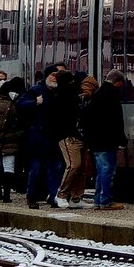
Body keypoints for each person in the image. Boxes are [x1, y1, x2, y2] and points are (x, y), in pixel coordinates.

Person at [79, 69, 128, 210]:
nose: (121, 86)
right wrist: (122, 139)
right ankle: (106, 201)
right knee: (108, 170)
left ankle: (98, 200)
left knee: (101, 171)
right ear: (117, 81)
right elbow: (117, 120)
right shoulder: (111, 95)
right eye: (121, 83)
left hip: (96, 140)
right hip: (107, 140)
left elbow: (86, 118)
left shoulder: (97, 94)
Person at [17, 71, 63, 209]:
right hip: (38, 139)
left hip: (53, 138)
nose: (54, 78)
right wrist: (35, 102)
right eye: (52, 75)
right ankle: (31, 197)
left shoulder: (59, 93)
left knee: (55, 169)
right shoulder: (36, 90)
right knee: (35, 170)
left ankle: (53, 196)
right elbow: (20, 103)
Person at [49, 70, 87, 208]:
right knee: (73, 165)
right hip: (68, 135)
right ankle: (62, 194)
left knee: (81, 167)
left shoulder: (66, 96)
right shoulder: (61, 97)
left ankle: (76, 197)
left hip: (76, 135)